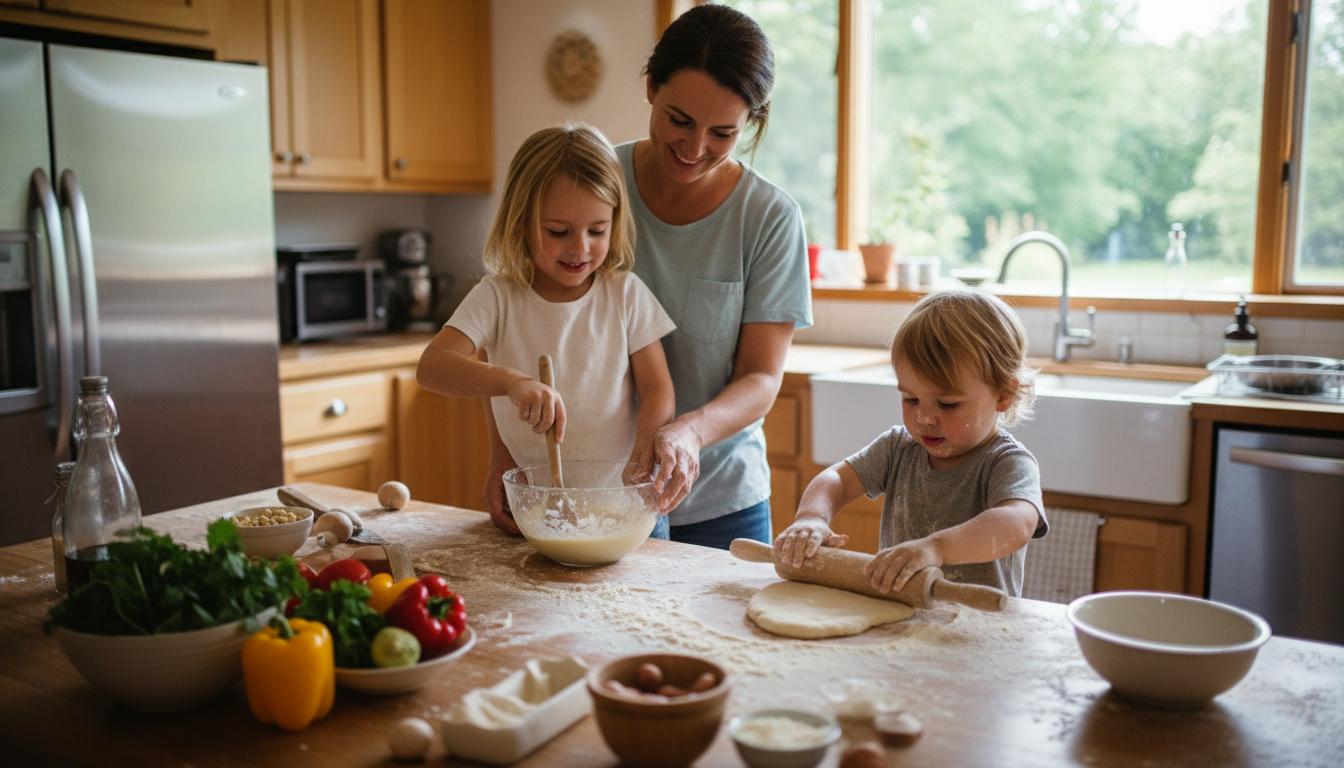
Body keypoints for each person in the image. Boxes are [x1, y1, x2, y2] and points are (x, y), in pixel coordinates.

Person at [602, 3, 811, 549]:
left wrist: (688, 433)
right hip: (594, 491)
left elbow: (762, 379)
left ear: (752, 123)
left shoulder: (769, 217)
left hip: (721, 503)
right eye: (679, 120)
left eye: (722, 133)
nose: (694, 150)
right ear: (651, 86)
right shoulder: (595, 183)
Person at [417, 124, 676, 535]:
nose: (580, 248)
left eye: (597, 230)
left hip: (625, 509)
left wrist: (644, 451)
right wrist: (511, 382)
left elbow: (658, 388)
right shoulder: (499, 295)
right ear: (521, 222)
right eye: (559, 231)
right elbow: (432, 366)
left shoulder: (625, 293)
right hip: (537, 512)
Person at [773, 290, 1048, 596]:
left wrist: (936, 549)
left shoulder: (1006, 462)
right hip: (902, 617)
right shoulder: (898, 448)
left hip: (979, 628)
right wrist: (812, 518)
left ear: (1002, 394)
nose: (925, 418)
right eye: (910, 399)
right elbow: (836, 479)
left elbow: (1016, 524)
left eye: (947, 404)